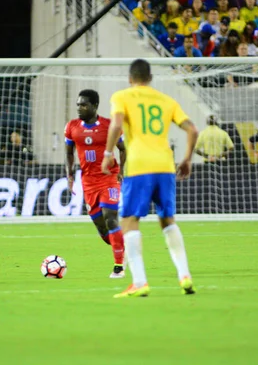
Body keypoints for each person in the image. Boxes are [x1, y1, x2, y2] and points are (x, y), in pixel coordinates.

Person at [101, 59, 199, 298]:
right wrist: (186, 159)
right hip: (165, 166)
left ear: (130, 78)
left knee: (129, 221)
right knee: (167, 220)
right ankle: (184, 276)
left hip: (139, 166)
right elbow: (193, 129)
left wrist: (108, 153)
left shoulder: (122, 96)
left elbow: (115, 126)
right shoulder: (167, 100)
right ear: (151, 78)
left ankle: (140, 282)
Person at [65, 89, 126, 278]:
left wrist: (122, 171)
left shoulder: (109, 126)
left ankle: (118, 266)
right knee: (101, 227)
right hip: (88, 182)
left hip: (109, 177)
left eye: (83, 105)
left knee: (110, 217)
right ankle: (122, 248)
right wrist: (69, 175)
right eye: (78, 105)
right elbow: (69, 152)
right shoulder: (72, 127)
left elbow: (123, 149)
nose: (79, 108)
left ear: (94, 106)